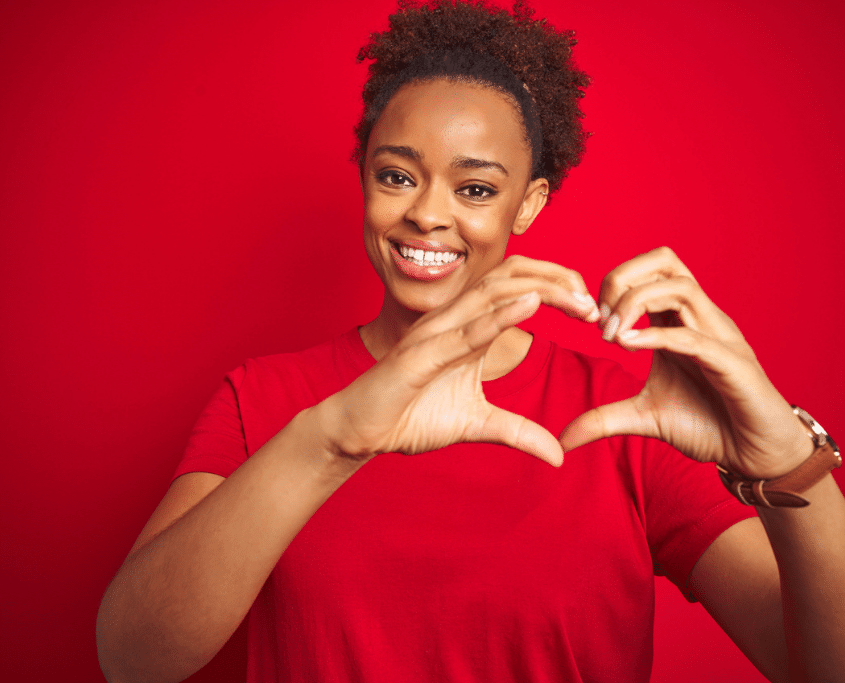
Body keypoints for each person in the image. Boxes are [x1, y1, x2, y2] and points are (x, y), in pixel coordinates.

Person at [96, 1, 845, 681]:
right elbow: (133, 658)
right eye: (396, 176)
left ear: (529, 203)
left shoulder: (627, 418)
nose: (427, 214)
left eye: (476, 188)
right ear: (363, 178)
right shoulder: (263, 399)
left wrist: (787, 458)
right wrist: (329, 442)